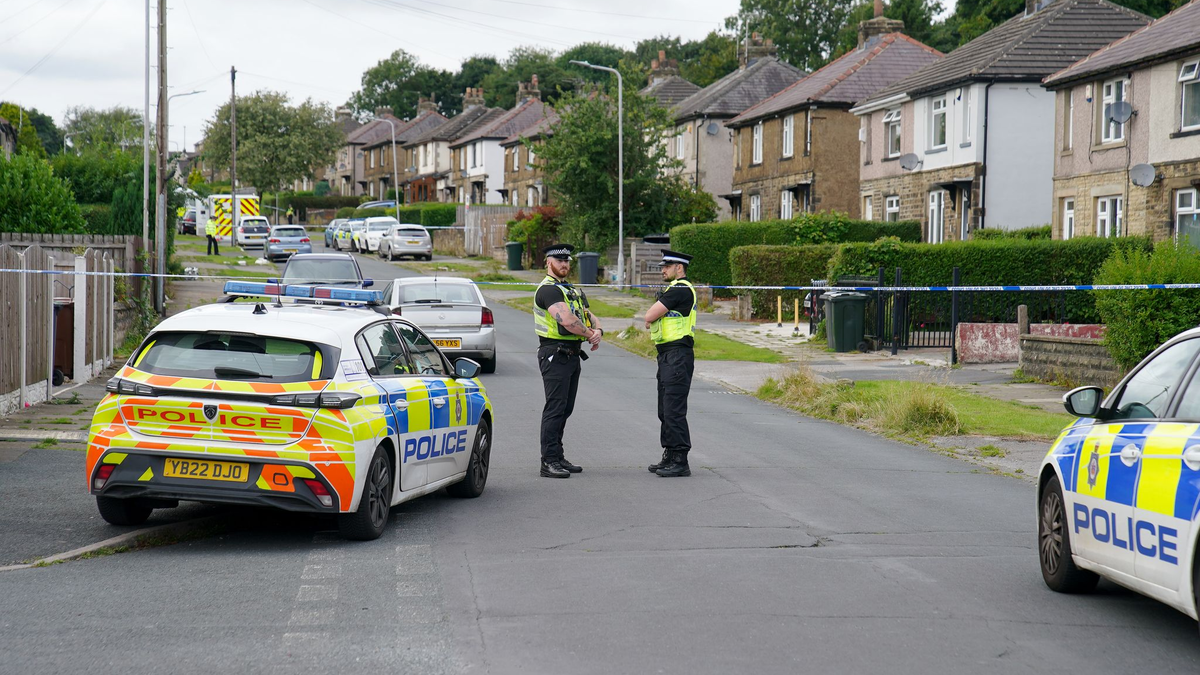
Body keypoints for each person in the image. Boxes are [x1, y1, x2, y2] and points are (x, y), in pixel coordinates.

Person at [533, 243, 603, 478]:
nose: (564, 264)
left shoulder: (569, 289)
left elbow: (587, 314)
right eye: (559, 260)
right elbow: (566, 320)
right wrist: (589, 333)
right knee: (555, 408)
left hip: (571, 354)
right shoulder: (549, 290)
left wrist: (598, 329)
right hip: (555, 353)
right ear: (548, 262)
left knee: (565, 408)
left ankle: (558, 456)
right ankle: (549, 461)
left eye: (567, 261)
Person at [643, 250, 697, 477]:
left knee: (673, 410)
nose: (662, 270)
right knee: (664, 409)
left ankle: (680, 459)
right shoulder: (674, 290)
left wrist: (653, 315)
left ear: (679, 268)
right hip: (667, 354)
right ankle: (669, 454)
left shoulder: (680, 289)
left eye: (667, 266)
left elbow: (649, 316)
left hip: (677, 355)